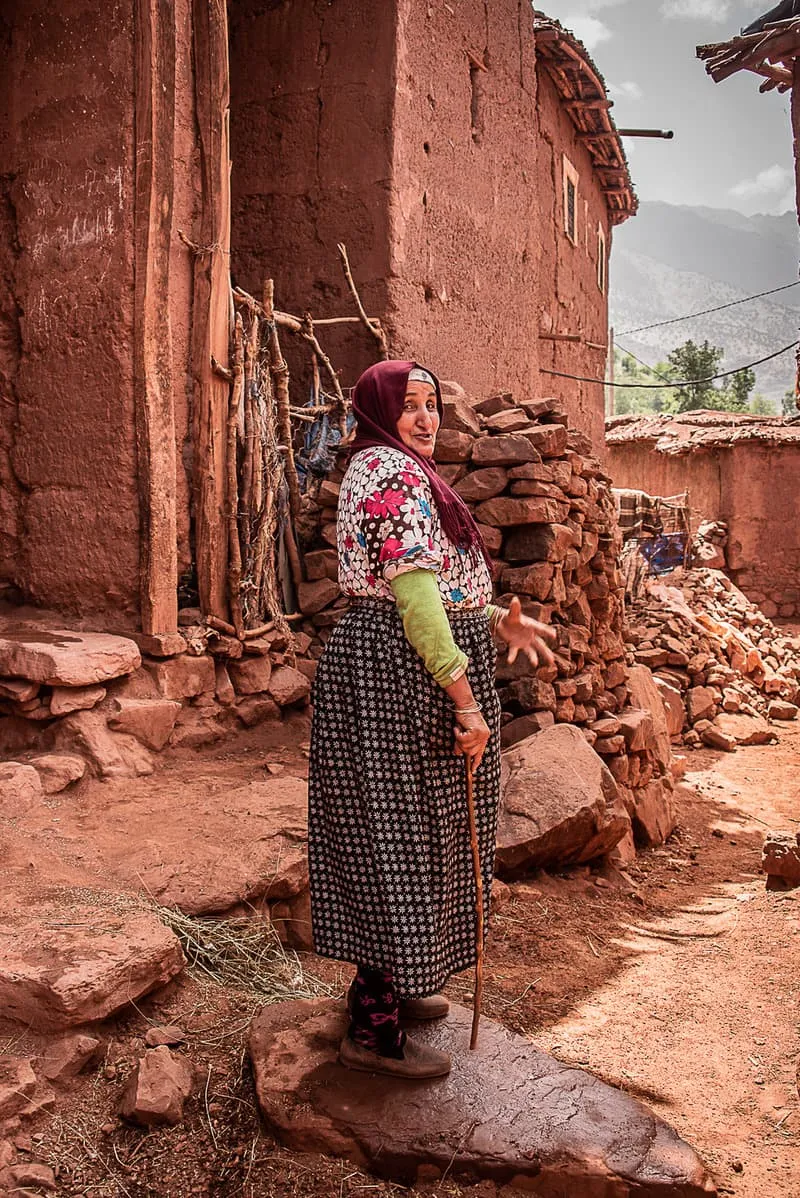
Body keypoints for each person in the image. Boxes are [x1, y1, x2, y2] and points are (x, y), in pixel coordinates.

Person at [308, 359, 555, 1079]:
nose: (425, 418)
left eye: (432, 406)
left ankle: (389, 987)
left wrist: (492, 623)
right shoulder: (387, 476)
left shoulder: (403, 472)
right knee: (398, 838)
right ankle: (370, 1026)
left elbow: (435, 590)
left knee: (418, 835)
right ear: (380, 411)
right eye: (409, 405)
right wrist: (468, 702)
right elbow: (414, 604)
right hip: (396, 678)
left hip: (409, 673)